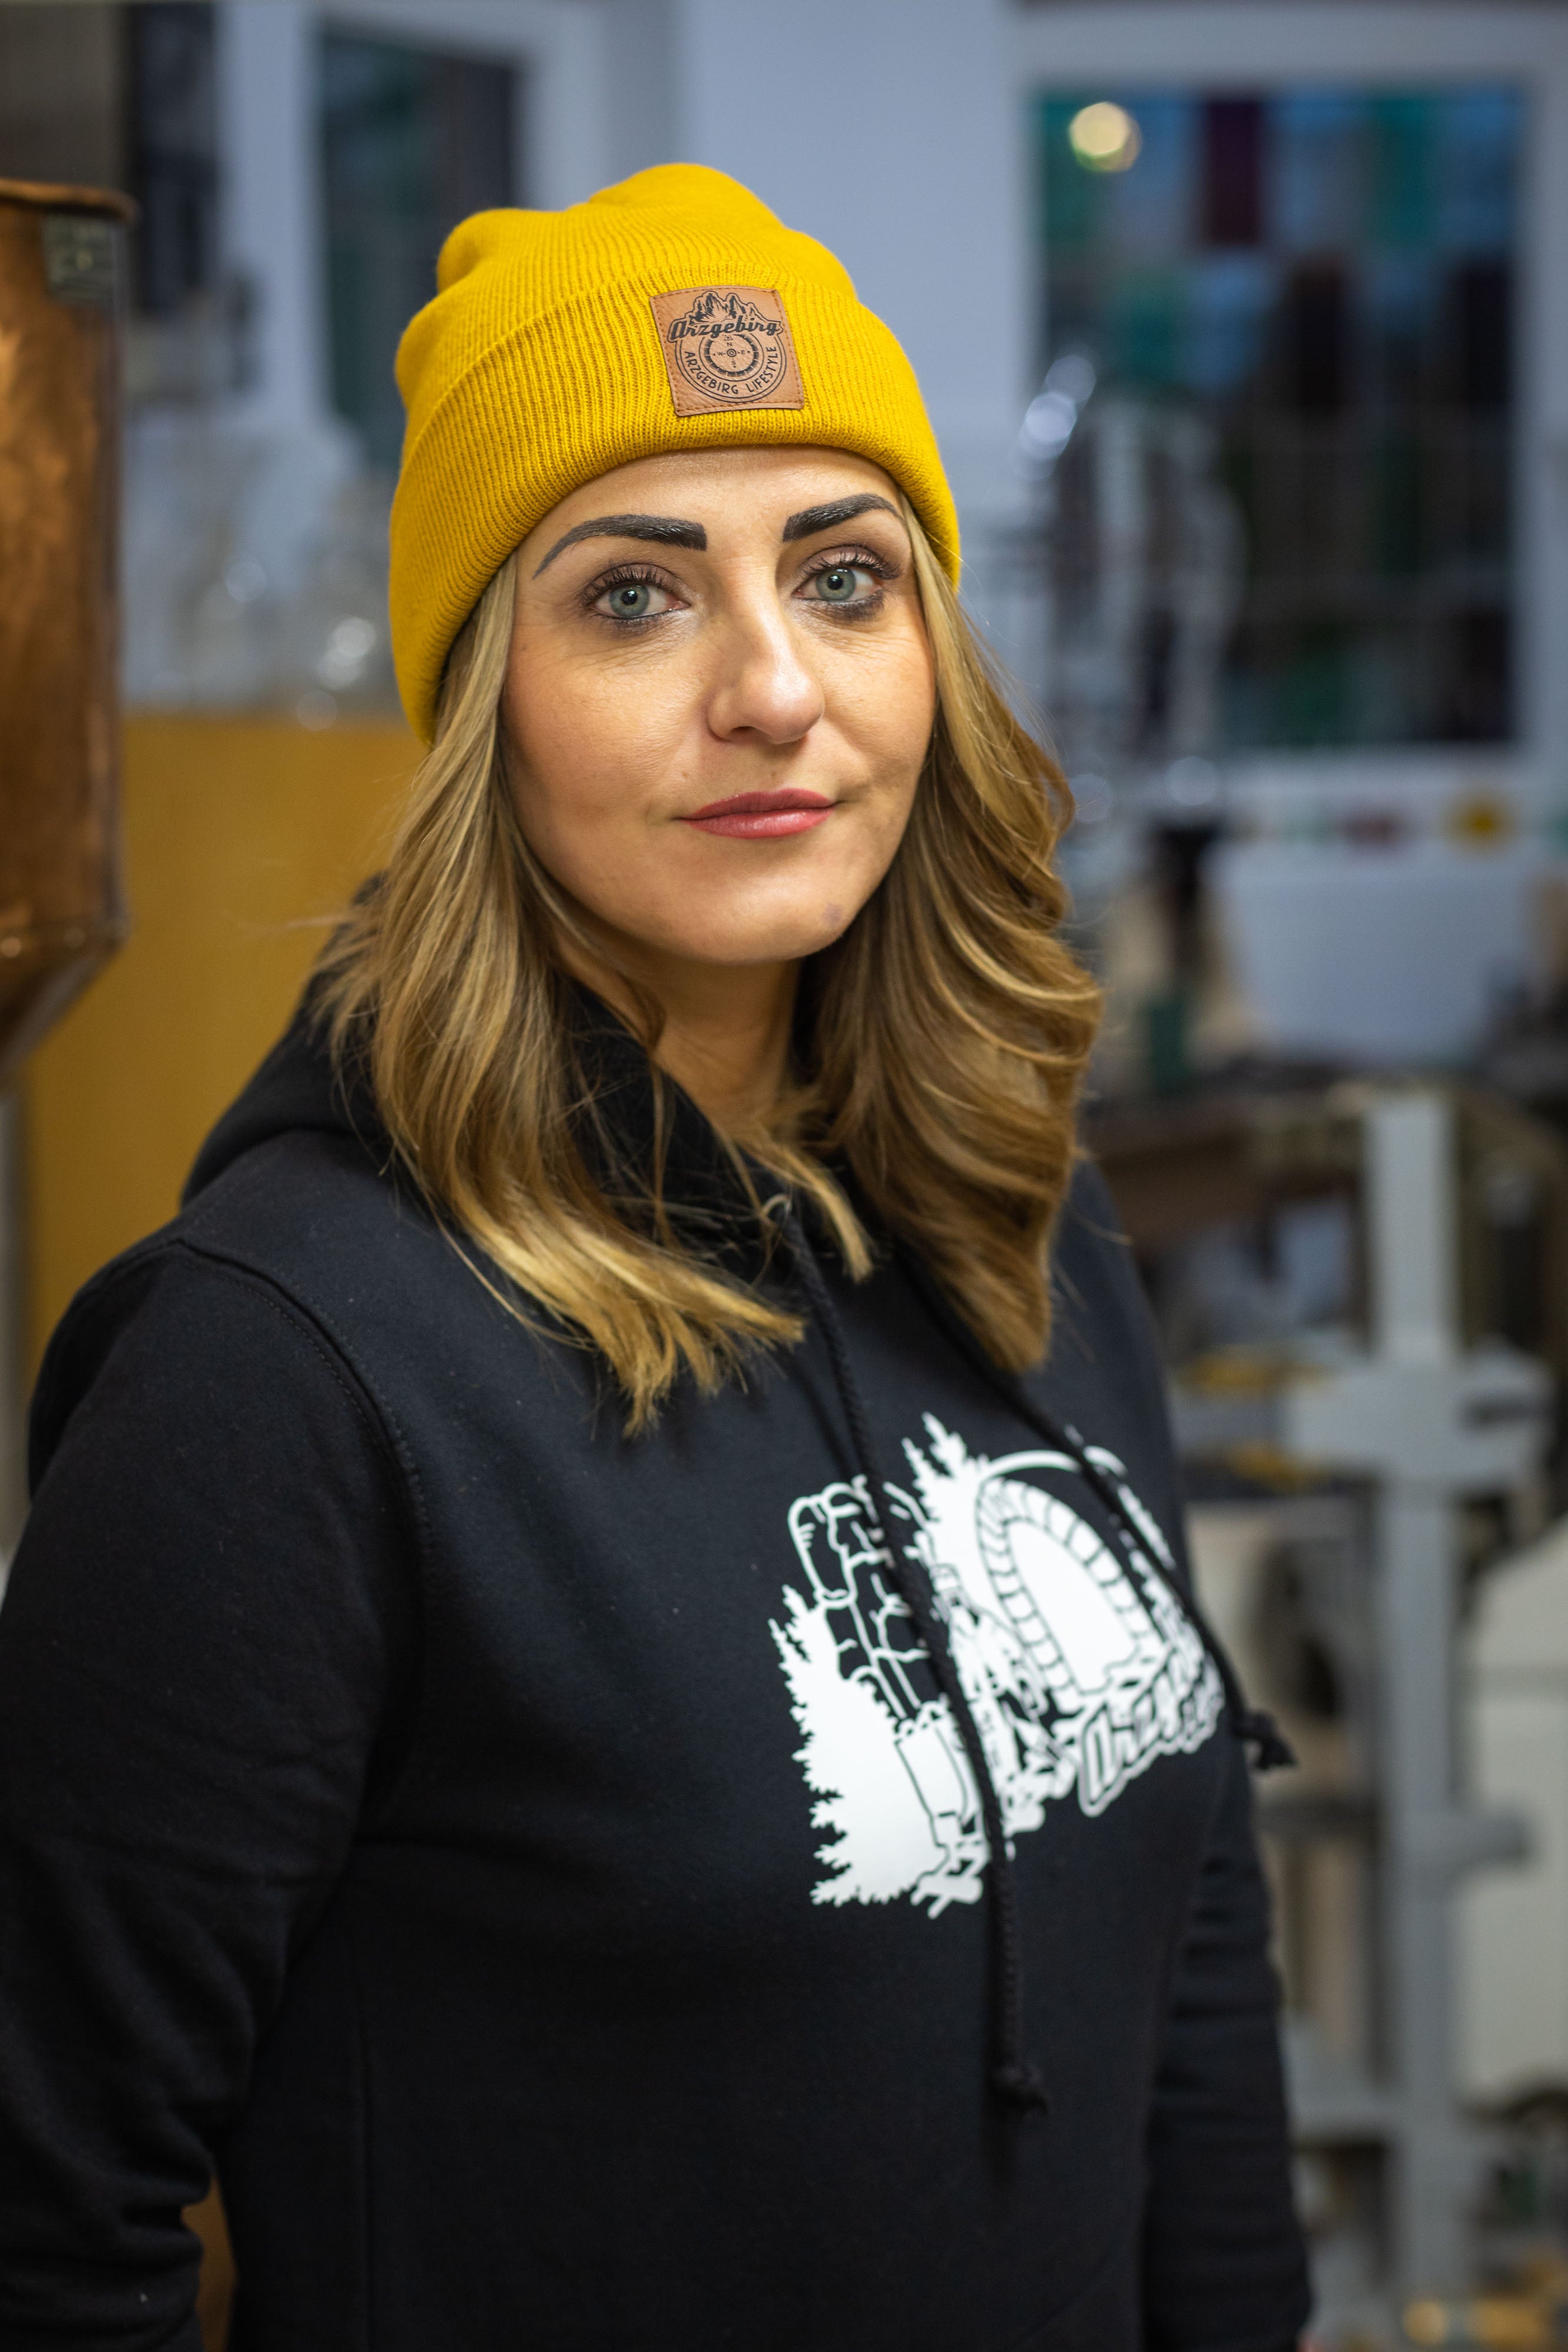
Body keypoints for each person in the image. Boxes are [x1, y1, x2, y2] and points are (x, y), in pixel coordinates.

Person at [0, 166, 1308, 2351]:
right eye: (632, 597)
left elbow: (1185, 1954)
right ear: (479, 712)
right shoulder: (287, 1369)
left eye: (844, 576)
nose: (774, 687)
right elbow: (47, 2216)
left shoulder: (1017, 1216)